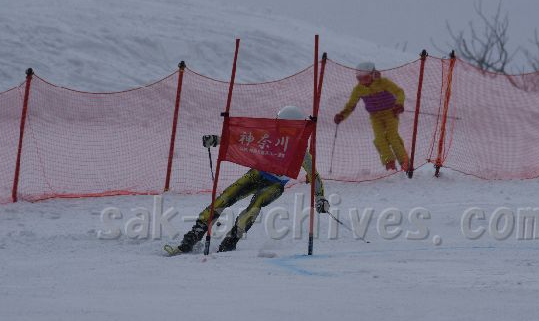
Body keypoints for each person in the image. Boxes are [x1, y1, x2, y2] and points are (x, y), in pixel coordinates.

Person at [165, 105, 329, 255]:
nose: (279, 127)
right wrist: (217, 140)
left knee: (256, 204)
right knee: (226, 197)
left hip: (275, 185)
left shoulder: (301, 152)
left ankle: (231, 240)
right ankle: (191, 238)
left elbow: (314, 175)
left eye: (284, 125)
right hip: (257, 174)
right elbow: (242, 138)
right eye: (279, 123)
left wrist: (320, 197)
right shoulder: (269, 136)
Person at [334, 62, 409, 172]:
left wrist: (399, 104)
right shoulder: (358, 89)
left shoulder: (383, 83)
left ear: (373, 75)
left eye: (366, 78)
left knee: (392, 136)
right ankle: (389, 163)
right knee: (379, 139)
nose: (363, 81)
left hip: (391, 112)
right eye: (359, 79)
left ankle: (405, 163)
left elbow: (399, 92)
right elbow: (351, 105)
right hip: (375, 117)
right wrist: (341, 115)